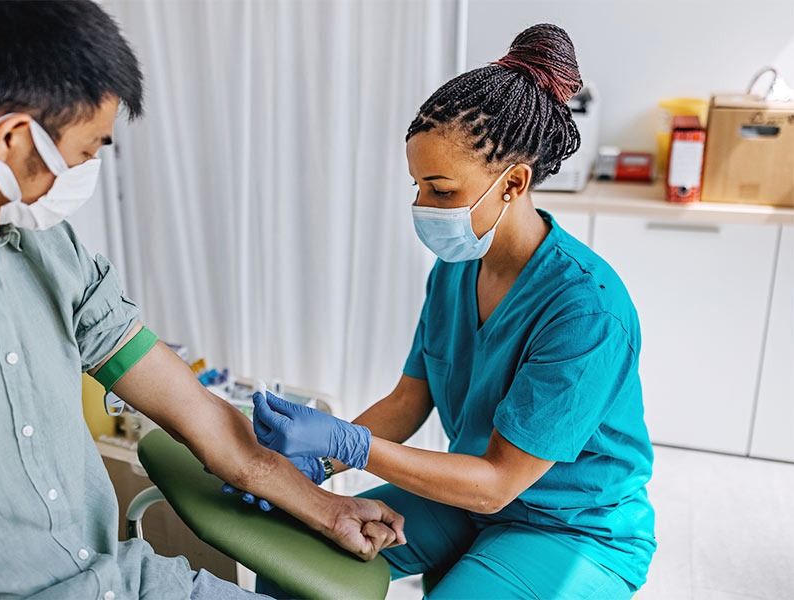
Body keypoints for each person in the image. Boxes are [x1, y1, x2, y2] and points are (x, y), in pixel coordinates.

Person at [0, 2, 404, 599]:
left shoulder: (48, 249)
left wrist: (327, 508)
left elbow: (203, 420)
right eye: (85, 152)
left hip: (122, 582)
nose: (84, 173)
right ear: (11, 138)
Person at [250, 24, 655, 599]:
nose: (423, 207)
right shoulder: (457, 268)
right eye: (417, 187)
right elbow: (408, 400)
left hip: (571, 526)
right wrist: (314, 466)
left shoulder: (585, 311)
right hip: (466, 495)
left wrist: (348, 443)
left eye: (441, 191)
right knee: (294, 560)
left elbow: (496, 484)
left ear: (513, 183)